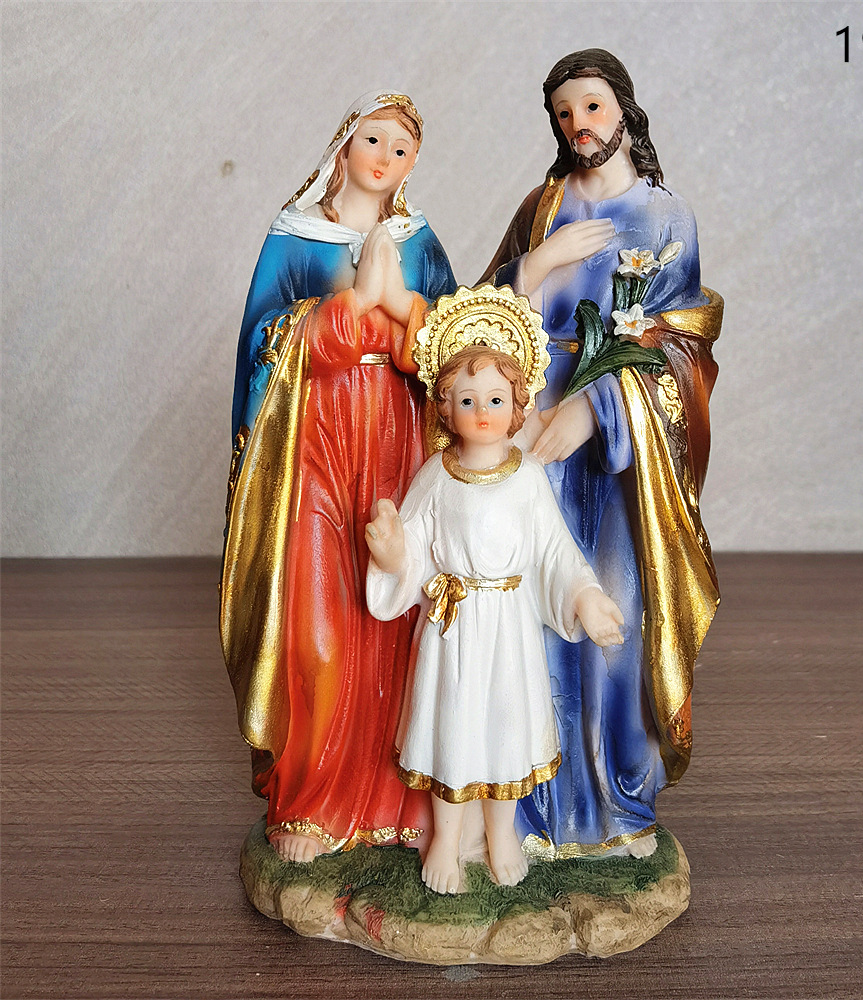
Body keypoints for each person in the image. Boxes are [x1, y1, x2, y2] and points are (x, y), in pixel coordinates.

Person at [480, 51, 724, 859]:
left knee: (613, 615)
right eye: (563, 113)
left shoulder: (665, 217)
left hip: (620, 453)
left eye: (590, 105)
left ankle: (616, 805)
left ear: (623, 108)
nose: (578, 124)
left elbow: (682, 344)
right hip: (529, 433)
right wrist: (534, 266)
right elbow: (477, 320)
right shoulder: (542, 206)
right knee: (527, 615)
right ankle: (526, 809)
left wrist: (598, 408)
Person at [221, 92, 456, 864]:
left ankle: (402, 797)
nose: (385, 158)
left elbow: (458, 347)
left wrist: (404, 309)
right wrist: (347, 311)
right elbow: (261, 342)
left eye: (402, 148)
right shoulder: (294, 237)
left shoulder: (418, 240)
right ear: (343, 145)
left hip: (397, 439)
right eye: (373, 139)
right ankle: (314, 798)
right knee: (318, 627)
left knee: (401, 617)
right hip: (316, 442)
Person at [365, 344, 624, 893]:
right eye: (467, 400)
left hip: (509, 627)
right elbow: (413, 546)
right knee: (452, 727)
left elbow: (555, 552)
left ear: (517, 405)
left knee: (507, 727)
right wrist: (390, 551)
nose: (482, 411)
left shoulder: (527, 477)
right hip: (454, 627)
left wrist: (586, 597)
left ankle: (501, 834)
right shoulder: (437, 476)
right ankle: (446, 839)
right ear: (445, 407)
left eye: (496, 399)